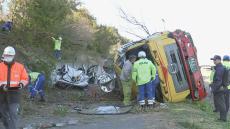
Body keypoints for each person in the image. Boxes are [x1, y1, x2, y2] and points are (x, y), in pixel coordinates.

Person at [0, 46, 29, 129]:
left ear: (13, 56)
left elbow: (25, 78)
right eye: (7, 55)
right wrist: (2, 86)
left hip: (14, 95)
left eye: (10, 56)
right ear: (4, 55)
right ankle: (7, 126)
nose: (8, 57)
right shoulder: (0, 66)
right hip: (2, 94)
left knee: (13, 113)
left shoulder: (20, 67)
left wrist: (21, 84)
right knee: (3, 113)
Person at [210, 55, 227, 122]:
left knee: (221, 103)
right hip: (220, 87)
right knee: (221, 102)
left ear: (219, 60)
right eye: (213, 60)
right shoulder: (219, 67)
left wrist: (213, 88)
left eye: (215, 60)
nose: (213, 61)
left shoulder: (220, 68)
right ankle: (222, 118)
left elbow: (218, 80)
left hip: (219, 88)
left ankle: (223, 119)